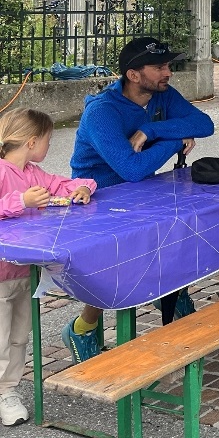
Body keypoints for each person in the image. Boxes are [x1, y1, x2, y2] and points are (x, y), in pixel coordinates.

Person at [66, 37, 215, 363]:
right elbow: (131, 169)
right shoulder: (102, 112)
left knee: (177, 232)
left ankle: (172, 294)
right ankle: (82, 328)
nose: (168, 73)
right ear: (134, 75)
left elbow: (205, 124)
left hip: (140, 191)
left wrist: (152, 130)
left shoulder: (161, 94)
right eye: (159, 67)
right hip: (98, 199)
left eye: (168, 65)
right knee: (116, 267)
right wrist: (174, 141)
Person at [0, 109, 97, 426]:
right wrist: (21, 202)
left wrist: (83, 188)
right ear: (31, 141)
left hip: (25, 273)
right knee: (0, 339)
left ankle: (8, 390)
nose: (49, 146)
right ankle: (4, 392)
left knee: (19, 337)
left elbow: (66, 183)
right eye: (48, 140)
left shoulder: (33, 173)